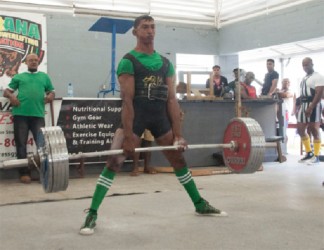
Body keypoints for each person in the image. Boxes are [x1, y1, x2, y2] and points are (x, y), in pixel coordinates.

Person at [79, 15, 227, 235]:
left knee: (177, 158)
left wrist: (178, 134)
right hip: (135, 118)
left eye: (152, 27)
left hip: (159, 118)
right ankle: (92, 213)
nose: (150, 31)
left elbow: (171, 100)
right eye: (145, 27)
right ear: (136, 32)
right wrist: (129, 135)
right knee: (114, 161)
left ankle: (199, 204)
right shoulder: (129, 61)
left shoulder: (165, 63)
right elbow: (127, 101)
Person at [3, 53, 55, 183]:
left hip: (38, 115)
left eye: (35, 60)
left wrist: (51, 96)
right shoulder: (19, 77)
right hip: (21, 115)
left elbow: (51, 91)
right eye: (30, 60)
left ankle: (45, 172)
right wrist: (12, 97)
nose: (33, 62)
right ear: (26, 62)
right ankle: (24, 173)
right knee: (21, 145)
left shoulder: (44, 77)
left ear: (38, 62)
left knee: (42, 145)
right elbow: (6, 91)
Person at [297, 57, 324, 164]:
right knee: (300, 129)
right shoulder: (304, 78)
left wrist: (311, 107)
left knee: (314, 130)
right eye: (303, 65)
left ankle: (316, 156)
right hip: (303, 105)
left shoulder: (318, 77)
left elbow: (319, 94)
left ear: (312, 64)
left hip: (313, 104)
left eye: (307, 64)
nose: (305, 67)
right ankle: (309, 153)